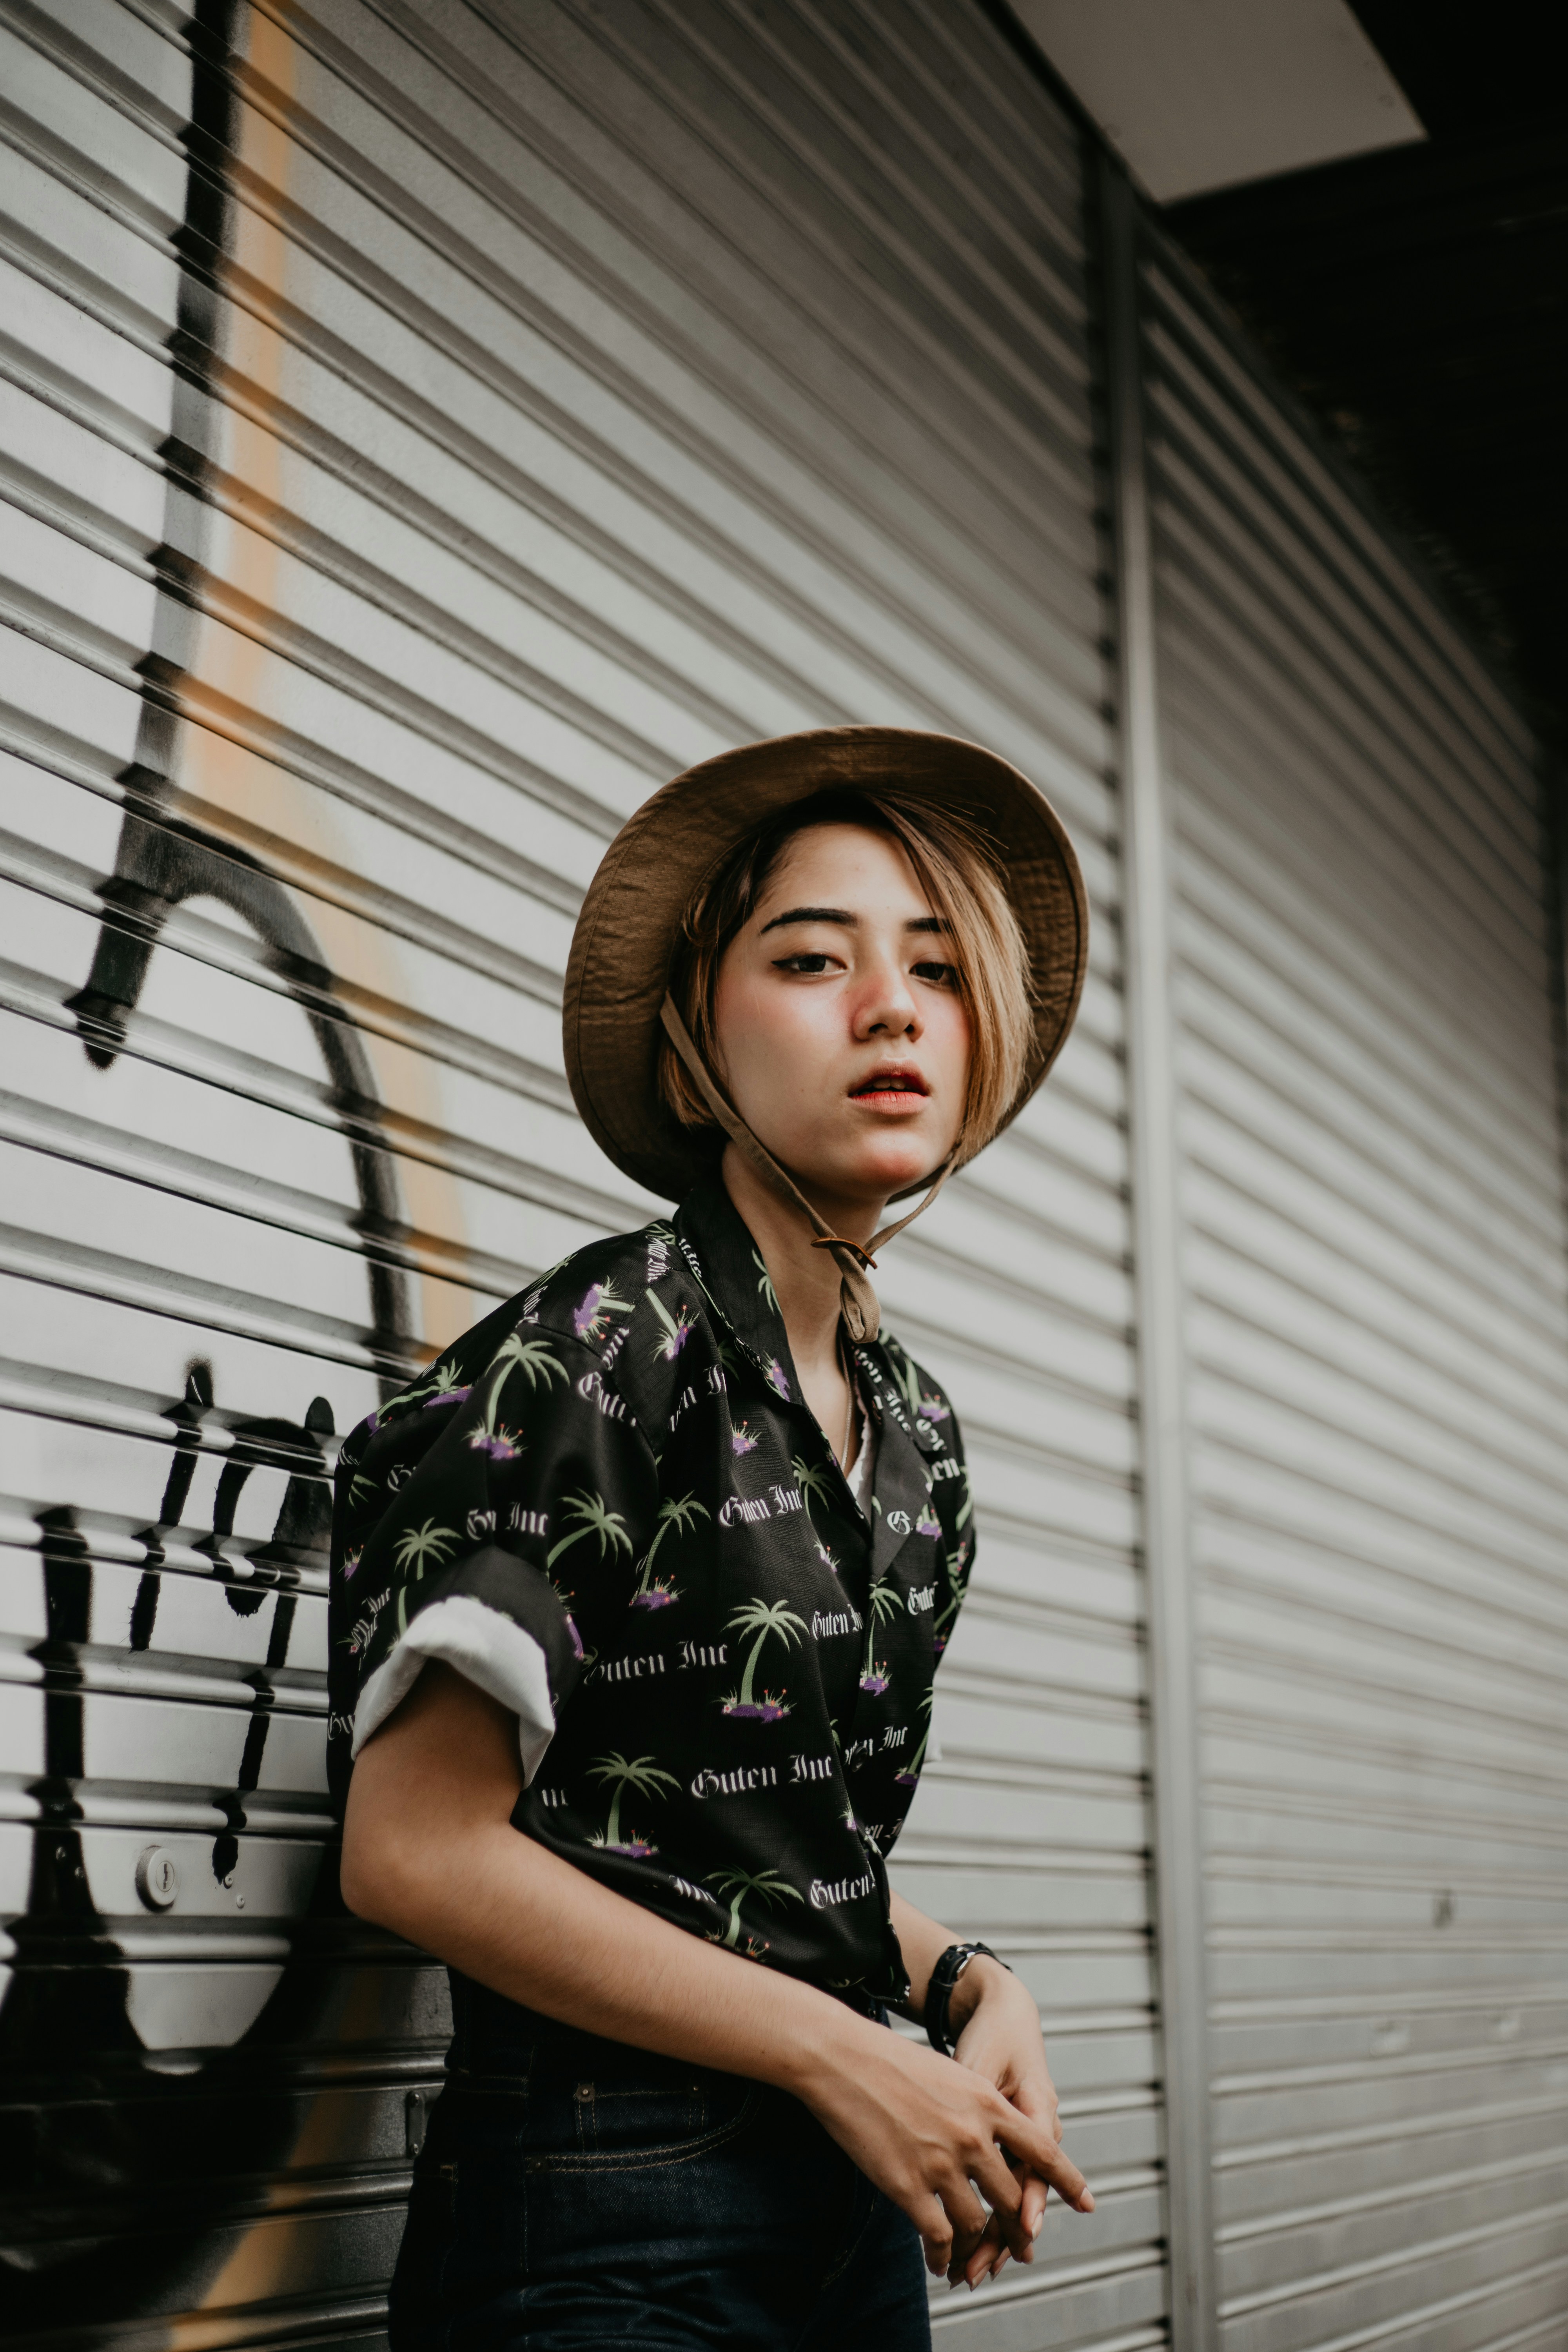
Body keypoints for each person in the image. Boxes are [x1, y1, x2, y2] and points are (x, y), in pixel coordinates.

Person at [331, 728, 1094, 2350]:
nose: (889, 1006)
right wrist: (842, 2051)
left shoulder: (919, 1434)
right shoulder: (602, 1345)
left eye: (942, 971)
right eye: (812, 957)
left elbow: (741, 1840)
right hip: (606, 2205)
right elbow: (414, 1848)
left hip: (843, 2190)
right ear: (694, 1046)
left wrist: (965, 1988)